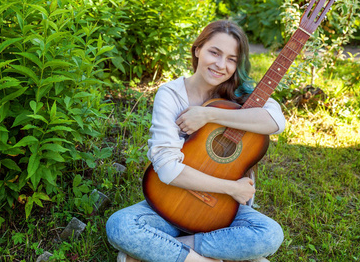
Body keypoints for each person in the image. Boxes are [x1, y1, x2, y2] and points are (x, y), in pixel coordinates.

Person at [106, 20, 285, 262]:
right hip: (170, 202)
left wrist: (209, 114)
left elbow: (276, 121)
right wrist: (232, 188)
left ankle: (159, 251)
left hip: (222, 212)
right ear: (197, 50)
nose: (221, 65)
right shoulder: (171, 94)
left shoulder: (243, 95)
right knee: (121, 226)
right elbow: (168, 168)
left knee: (270, 235)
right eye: (215, 52)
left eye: (231, 59)